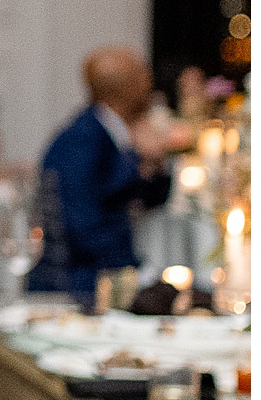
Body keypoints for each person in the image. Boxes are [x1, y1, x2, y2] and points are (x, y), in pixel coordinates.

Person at [29, 47, 181, 301]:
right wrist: (137, 276)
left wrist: (155, 161)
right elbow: (82, 227)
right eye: (143, 78)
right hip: (77, 285)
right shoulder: (81, 140)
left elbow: (149, 198)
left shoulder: (112, 133)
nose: (150, 85)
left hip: (100, 276)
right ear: (126, 89)